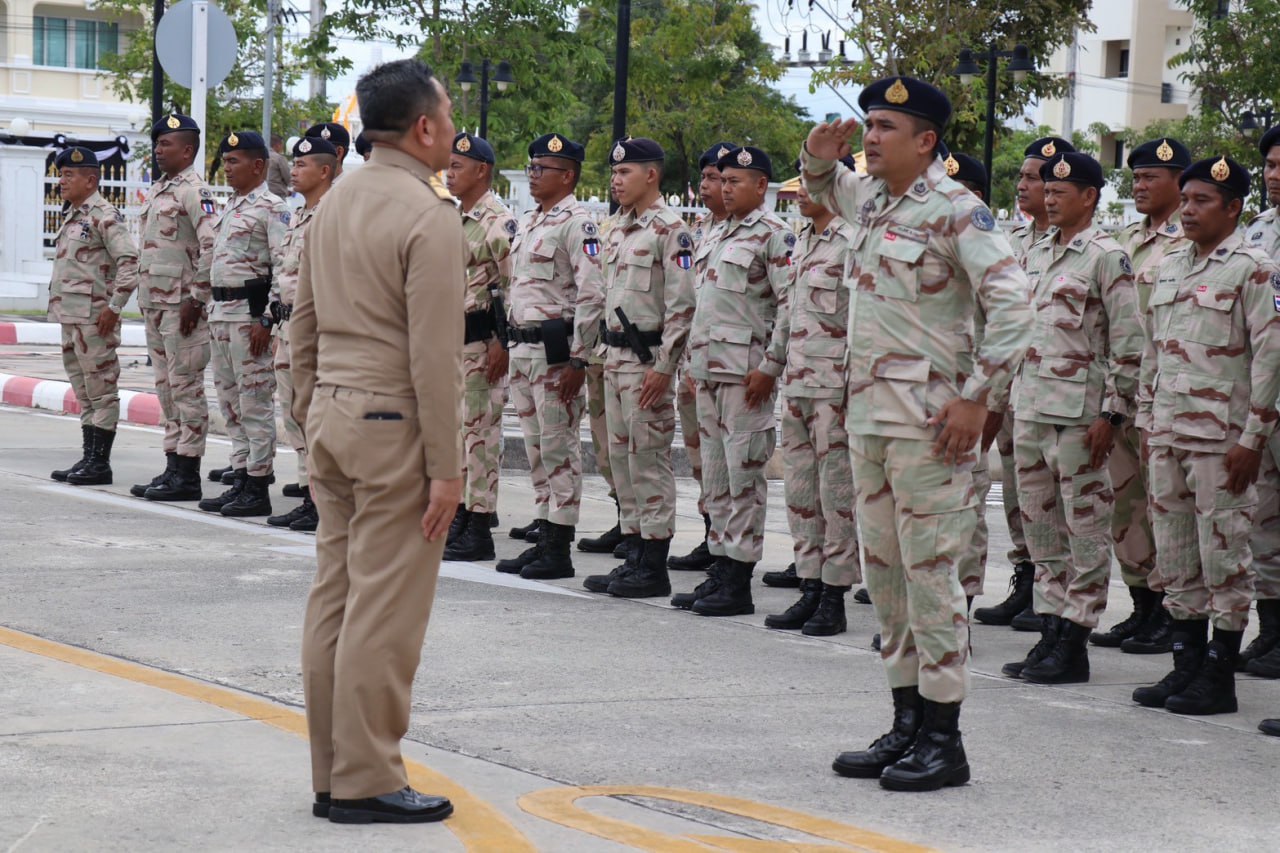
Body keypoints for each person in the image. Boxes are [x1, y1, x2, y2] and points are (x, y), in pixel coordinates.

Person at [803, 76, 1032, 791]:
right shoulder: (875, 201)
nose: (871, 138)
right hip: (870, 419)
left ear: (926, 141)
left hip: (932, 428)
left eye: (886, 128)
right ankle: (905, 722)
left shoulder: (959, 212)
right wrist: (814, 155)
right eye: (869, 125)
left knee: (932, 578)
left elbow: (1015, 310)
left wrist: (977, 400)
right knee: (887, 578)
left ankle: (944, 737)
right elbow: (824, 185)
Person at [292, 58, 460, 825]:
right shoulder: (428, 212)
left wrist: (308, 416)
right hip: (394, 425)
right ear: (423, 127)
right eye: (447, 117)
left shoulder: (335, 201)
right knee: (384, 609)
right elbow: (435, 357)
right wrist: (448, 468)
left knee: (335, 595)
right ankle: (366, 776)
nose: (452, 130)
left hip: (332, 413)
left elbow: (302, 324)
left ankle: (332, 773)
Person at [1132, 156, 1280, 715]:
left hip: (1222, 442)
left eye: (1202, 202)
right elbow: (1153, 351)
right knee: (1176, 559)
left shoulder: (1254, 270)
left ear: (1234, 208)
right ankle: (1185, 665)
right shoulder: (1171, 265)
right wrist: (1147, 421)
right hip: (1169, 434)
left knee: (1224, 560)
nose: (1188, 211)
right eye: (1186, 200)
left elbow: (1271, 359)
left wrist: (1253, 439)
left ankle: (1218, 677)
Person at [1000, 152, 1143, 685]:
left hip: (1081, 417)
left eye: (1062, 191)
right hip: (1031, 409)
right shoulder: (1036, 252)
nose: (1051, 197)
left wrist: (1114, 413)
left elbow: (1130, 344)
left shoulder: (1106, 257)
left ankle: (1075, 637)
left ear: (1089, 197)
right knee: (1040, 528)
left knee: (1085, 528)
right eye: (1048, 189)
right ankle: (1050, 629)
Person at [670, 145, 791, 618]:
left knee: (744, 477)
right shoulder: (714, 232)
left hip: (746, 377)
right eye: (721, 180)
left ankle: (739, 579)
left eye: (735, 181)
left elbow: (789, 307)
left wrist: (770, 367)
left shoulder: (774, 236)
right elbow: (702, 306)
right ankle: (720, 568)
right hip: (707, 373)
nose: (724, 188)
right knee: (717, 479)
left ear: (760, 186)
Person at [581, 137, 695, 598]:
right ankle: (632, 554)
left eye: (624, 172)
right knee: (622, 462)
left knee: (648, 461)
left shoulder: (671, 231)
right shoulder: (617, 229)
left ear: (651, 175)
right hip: (614, 360)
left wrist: (665, 367)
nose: (616, 180)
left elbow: (682, 307)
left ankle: (653, 564)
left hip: (647, 363)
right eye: (613, 172)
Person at [973, 136, 1076, 631]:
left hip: (1057, 394)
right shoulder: (1010, 242)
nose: (1023, 185)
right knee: (1019, 494)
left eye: (1034, 179)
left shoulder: (1081, 246)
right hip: (1012, 389)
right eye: (1022, 177)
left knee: (1058, 503)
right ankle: (1027, 579)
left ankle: (1057, 596)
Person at [1095, 137, 1191, 653]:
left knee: (1165, 508)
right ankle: (1142, 605)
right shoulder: (1124, 241)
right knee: (1125, 504)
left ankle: (1173, 612)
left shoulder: (1190, 240)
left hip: (1165, 396)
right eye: (1135, 177)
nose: (1139, 186)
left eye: (1151, 177)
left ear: (1179, 182)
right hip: (1120, 395)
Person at [494, 132, 605, 579]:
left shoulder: (578, 224)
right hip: (523, 350)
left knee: (559, 448)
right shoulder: (530, 221)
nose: (533, 175)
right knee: (537, 449)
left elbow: (592, 293)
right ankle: (543, 533)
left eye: (542, 169)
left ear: (568, 176)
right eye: (532, 167)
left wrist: (580, 359)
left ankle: (559, 547)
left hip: (555, 354)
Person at [763, 167, 860, 635]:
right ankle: (809, 585)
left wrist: (855, 388)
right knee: (801, 492)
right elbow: (788, 313)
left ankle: (834, 598)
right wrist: (771, 365)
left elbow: (862, 323)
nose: (799, 191)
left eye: (810, 183)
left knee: (836, 495)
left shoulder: (851, 243)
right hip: (798, 386)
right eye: (799, 182)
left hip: (834, 391)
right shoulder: (802, 241)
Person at [197, 131, 289, 517]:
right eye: (226, 161)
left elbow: (283, 267)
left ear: (258, 165)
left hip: (250, 319)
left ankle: (258, 484)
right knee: (230, 403)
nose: (227, 168)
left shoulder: (272, 208)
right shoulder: (231, 207)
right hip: (221, 315)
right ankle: (239, 476)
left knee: (254, 402)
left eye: (234, 161)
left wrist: (268, 318)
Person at [129, 113, 217, 502]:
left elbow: (212, 245)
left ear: (188, 150)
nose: (158, 150)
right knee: (166, 389)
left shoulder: (194, 192)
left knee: (186, 388)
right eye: (157, 143)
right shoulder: (160, 189)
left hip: (183, 307)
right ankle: (172, 466)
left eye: (166, 144)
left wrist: (197, 298)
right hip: (155, 304)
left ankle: (188, 473)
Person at [46, 146, 140, 486]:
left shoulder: (104, 215)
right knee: (84, 390)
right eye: (61, 175)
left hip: (95, 319)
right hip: (71, 318)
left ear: (90, 180)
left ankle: (100, 462)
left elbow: (130, 262)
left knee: (101, 390)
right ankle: (89, 457)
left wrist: (114, 308)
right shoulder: (73, 215)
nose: (62, 181)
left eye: (69, 175)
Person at [442, 131, 516, 561]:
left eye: (457, 166)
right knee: (458, 436)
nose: (449, 173)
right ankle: (462, 513)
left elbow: (511, 287)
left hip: (483, 344)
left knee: (481, 436)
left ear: (481, 171)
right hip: (455, 345)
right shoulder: (457, 219)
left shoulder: (497, 222)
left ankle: (480, 526)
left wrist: (502, 344)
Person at [668, 141, 736, 574]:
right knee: (702, 459)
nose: (710, 186)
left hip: (731, 369)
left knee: (733, 465)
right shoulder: (702, 230)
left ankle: (731, 549)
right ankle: (712, 535)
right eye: (708, 177)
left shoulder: (759, 233)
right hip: (694, 367)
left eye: (718, 178)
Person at [265, 136, 338, 532]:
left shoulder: (333, 216)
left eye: (301, 165)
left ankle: (323, 500)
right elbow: (284, 273)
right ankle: (309, 492)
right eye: (293, 164)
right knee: (295, 413)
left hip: (315, 331)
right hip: (288, 327)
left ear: (325, 171)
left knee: (317, 417)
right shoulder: (299, 215)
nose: (292, 171)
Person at [1243, 125, 1280, 678]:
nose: (1275, 175)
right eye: (1270, 165)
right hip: (1264, 398)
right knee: (1264, 518)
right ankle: (1272, 630)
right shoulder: (1259, 229)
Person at [267, 133, 292, 198]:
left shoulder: (261, 156)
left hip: (263, 193)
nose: (282, 148)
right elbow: (287, 177)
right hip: (277, 193)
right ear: (278, 145)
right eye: (282, 145)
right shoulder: (279, 158)